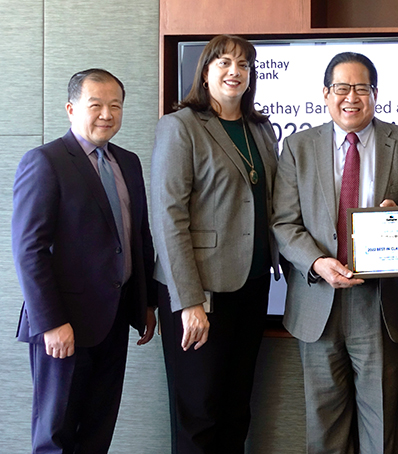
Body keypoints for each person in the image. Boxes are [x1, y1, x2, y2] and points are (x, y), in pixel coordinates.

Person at [272, 52, 398, 454]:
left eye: (361, 87)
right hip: (317, 302)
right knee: (323, 427)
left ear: (375, 94)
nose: (351, 97)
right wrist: (317, 262)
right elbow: (283, 223)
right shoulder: (297, 147)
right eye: (341, 88)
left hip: (381, 305)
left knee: (381, 427)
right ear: (325, 94)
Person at [12, 68, 156, 453]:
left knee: (97, 430)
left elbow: (138, 237)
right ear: (71, 109)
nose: (107, 114)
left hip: (114, 321)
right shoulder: (46, 161)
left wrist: (146, 304)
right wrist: (52, 322)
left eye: (115, 106)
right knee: (55, 436)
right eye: (96, 105)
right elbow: (29, 251)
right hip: (64, 327)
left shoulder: (128, 162)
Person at [150, 34, 279, 453]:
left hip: (253, 285)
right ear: (205, 73)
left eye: (243, 64)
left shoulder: (261, 129)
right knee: (199, 413)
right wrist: (189, 302)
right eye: (223, 62)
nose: (234, 71)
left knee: (236, 408)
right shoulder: (181, 126)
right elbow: (168, 217)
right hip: (200, 292)